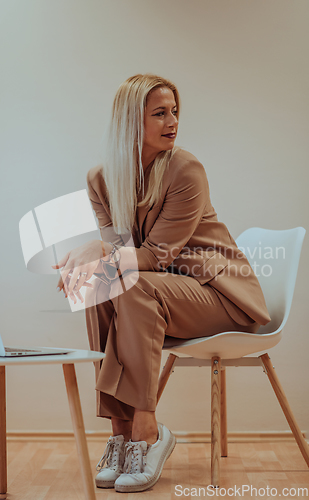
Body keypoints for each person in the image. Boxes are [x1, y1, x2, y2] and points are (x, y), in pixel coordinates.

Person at [53, 74, 271, 493]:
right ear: (131, 122)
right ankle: (120, 433)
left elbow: (153, 257)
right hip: (158, 295)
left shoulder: (185, 169)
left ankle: (147, 429)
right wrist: (96, 250)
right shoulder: (101, 179)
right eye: (160, 113)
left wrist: (99, 251)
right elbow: (121, 251)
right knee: (97, 285)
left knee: (130, 283)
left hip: (216, 294)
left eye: (174, 112)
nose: (172, 121)